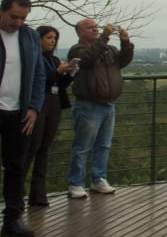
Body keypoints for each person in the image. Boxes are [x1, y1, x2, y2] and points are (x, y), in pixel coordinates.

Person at [66, 19, 134, 199]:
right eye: (90, 27)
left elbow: (123, 61)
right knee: (82, 146)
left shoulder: (109, 50)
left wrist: (126, 43)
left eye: (96, 27)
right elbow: (88, 59)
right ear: (79, 32)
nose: (95, 29)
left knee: (103, 145)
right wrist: (104, 37)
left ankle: (98, 179)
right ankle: (76, 183)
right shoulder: (77, 50)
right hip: (88, 104)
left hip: (109, 104)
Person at [0, 0, 45, 237]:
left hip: (19, 112)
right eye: (13, 17)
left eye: (23, 18)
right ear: (2, 11)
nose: (17, 23)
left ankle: (13, 219)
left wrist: (34, 107)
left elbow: (39, 75)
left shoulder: (29, 36)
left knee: (16, 166)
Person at [24, 25, 75, 206]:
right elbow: (39, 80)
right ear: (38, 39)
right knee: (32, 147)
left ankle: (38, 195)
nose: (52, 41)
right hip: (39, 103)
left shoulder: (53, 59)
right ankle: (18, 193)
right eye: (48, 38)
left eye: (54, 38)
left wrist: (69, 73)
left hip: (54, 103)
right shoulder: (33, 58)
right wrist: (57, 72)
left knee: (44, 148)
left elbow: (58, 83)